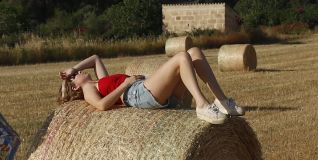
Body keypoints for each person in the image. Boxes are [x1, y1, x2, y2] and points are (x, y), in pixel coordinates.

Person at [58, 47, 244, 124]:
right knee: (181, 57)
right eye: (74, 77)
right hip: (137, 94)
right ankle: (202, 105)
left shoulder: (99, 81)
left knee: (194, 52)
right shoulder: (88, 89)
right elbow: (101, 105)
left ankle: (222, 101)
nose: (77, 74)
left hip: (145, 89)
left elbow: (95, 58)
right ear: (75, 87)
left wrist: (74, 68)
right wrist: (126, 83)